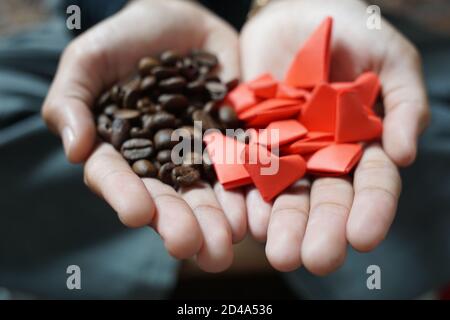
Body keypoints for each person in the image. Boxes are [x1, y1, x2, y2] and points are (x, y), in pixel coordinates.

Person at [1, 0, 448, 299]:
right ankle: (273, 256)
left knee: (418, 112)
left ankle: (162, 253)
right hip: (111, 16)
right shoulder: (178, 105)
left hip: (309, 23)